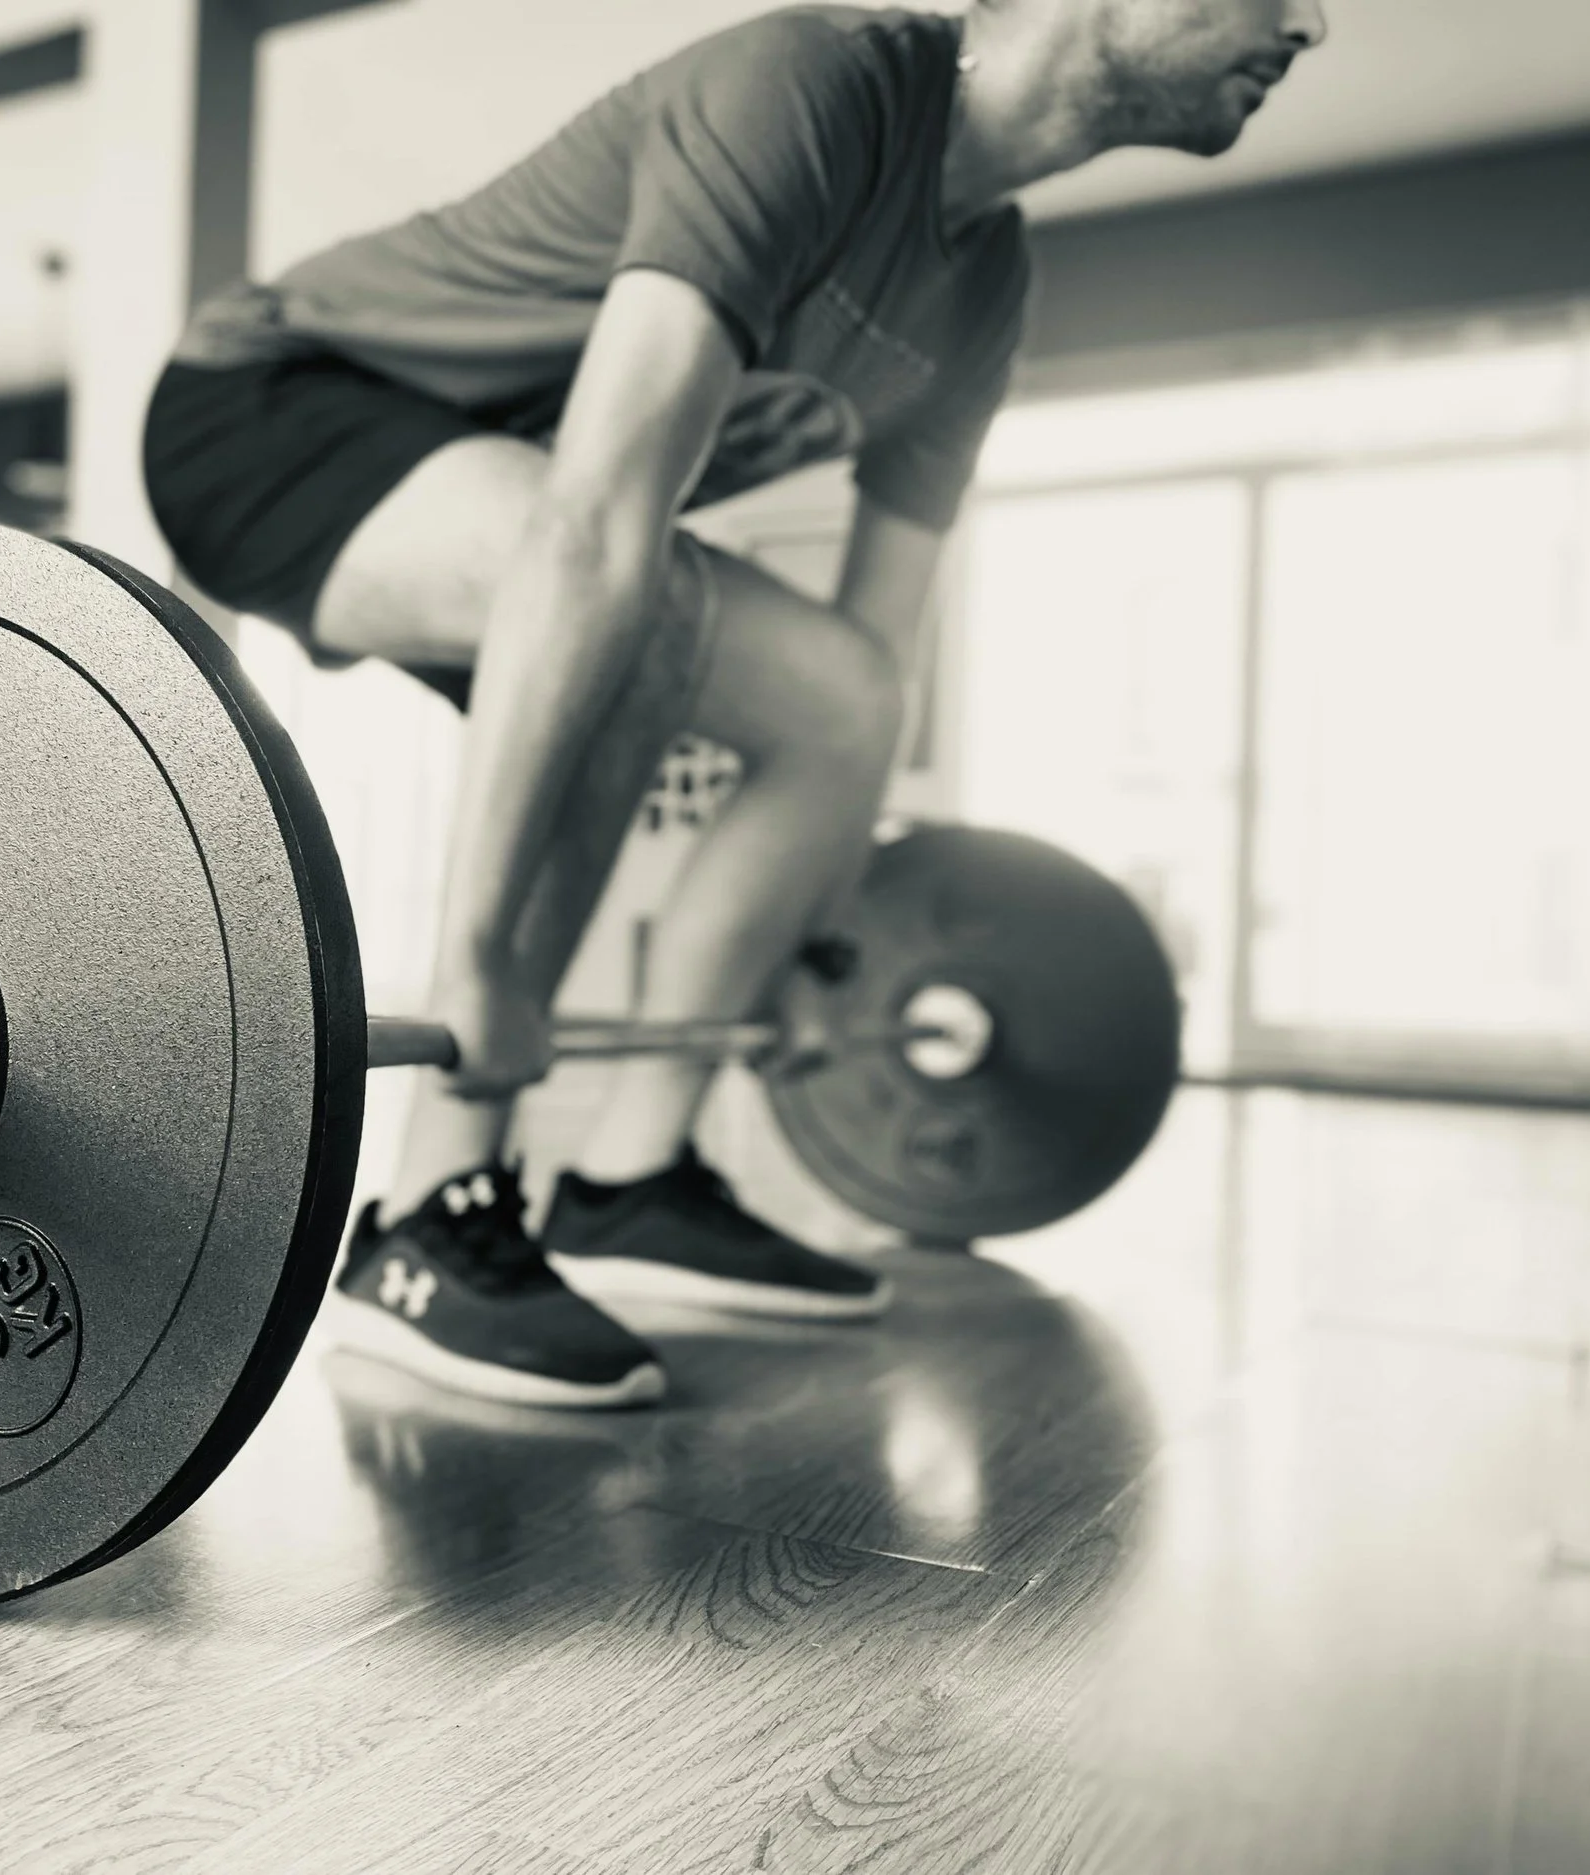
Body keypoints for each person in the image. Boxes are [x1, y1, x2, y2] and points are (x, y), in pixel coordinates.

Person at [144, 0, 1325, 1407]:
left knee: (838, 695)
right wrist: (477, 958)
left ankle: (633, 1177)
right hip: (271, 410)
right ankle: (428, 1217)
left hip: (522, 511)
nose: (1308, 26)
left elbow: (870, 651)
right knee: (645, 604)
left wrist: (819, 953)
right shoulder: (821, 85)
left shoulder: (987, 288)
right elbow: (594, 522)